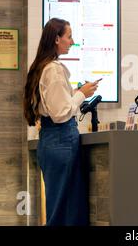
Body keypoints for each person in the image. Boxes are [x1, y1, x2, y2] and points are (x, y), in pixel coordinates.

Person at [23, 18, 99, 226]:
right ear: (57, 39)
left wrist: (74, 93)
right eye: (69, 36)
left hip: (52, 140)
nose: (72, 41)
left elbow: (55, 106)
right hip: (61, 140)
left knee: (61, 207)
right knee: (66, 211)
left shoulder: (41, 67)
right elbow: (61, 113)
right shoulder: (54, 69)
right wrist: (81, 94)